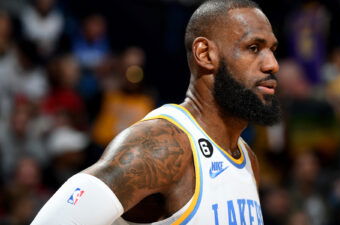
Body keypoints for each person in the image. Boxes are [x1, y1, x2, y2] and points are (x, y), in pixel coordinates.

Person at [31, 0, 281, 224]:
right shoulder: (160, 146)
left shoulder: (247, 158)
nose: (272, 64)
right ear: (205, 54)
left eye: (273, 49)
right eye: (253, 48)